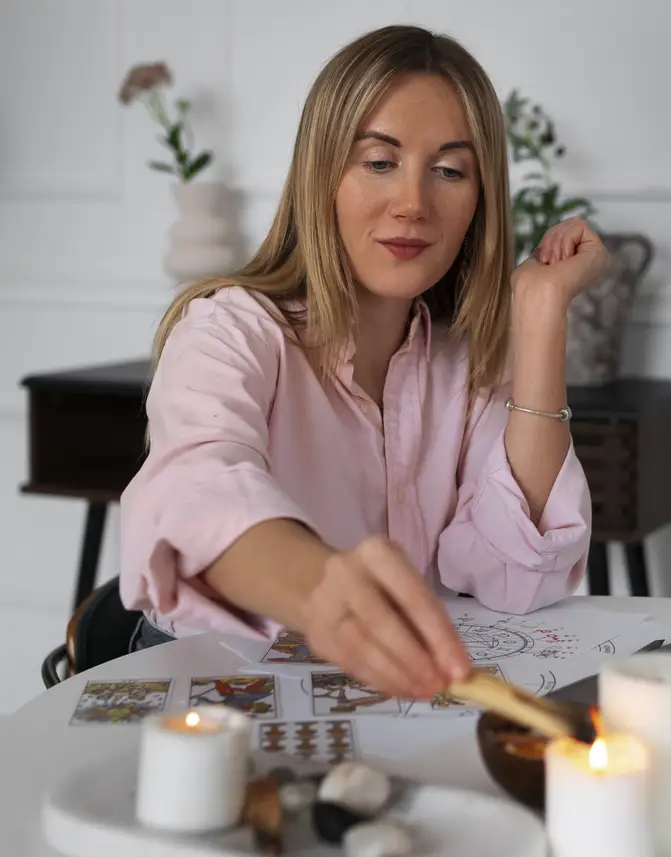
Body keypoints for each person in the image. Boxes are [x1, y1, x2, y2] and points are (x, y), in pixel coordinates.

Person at [118, 24, 606, 702]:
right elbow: (195, 489)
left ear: (480, 199)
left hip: (376, 700)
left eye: (449, 170)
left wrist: (541, 313)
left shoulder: (464, 359)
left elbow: (515, 573)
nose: (412, 203)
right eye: (379, 161)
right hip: (206, 689)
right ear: (324, 174)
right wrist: (323, 589)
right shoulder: (229, 329)